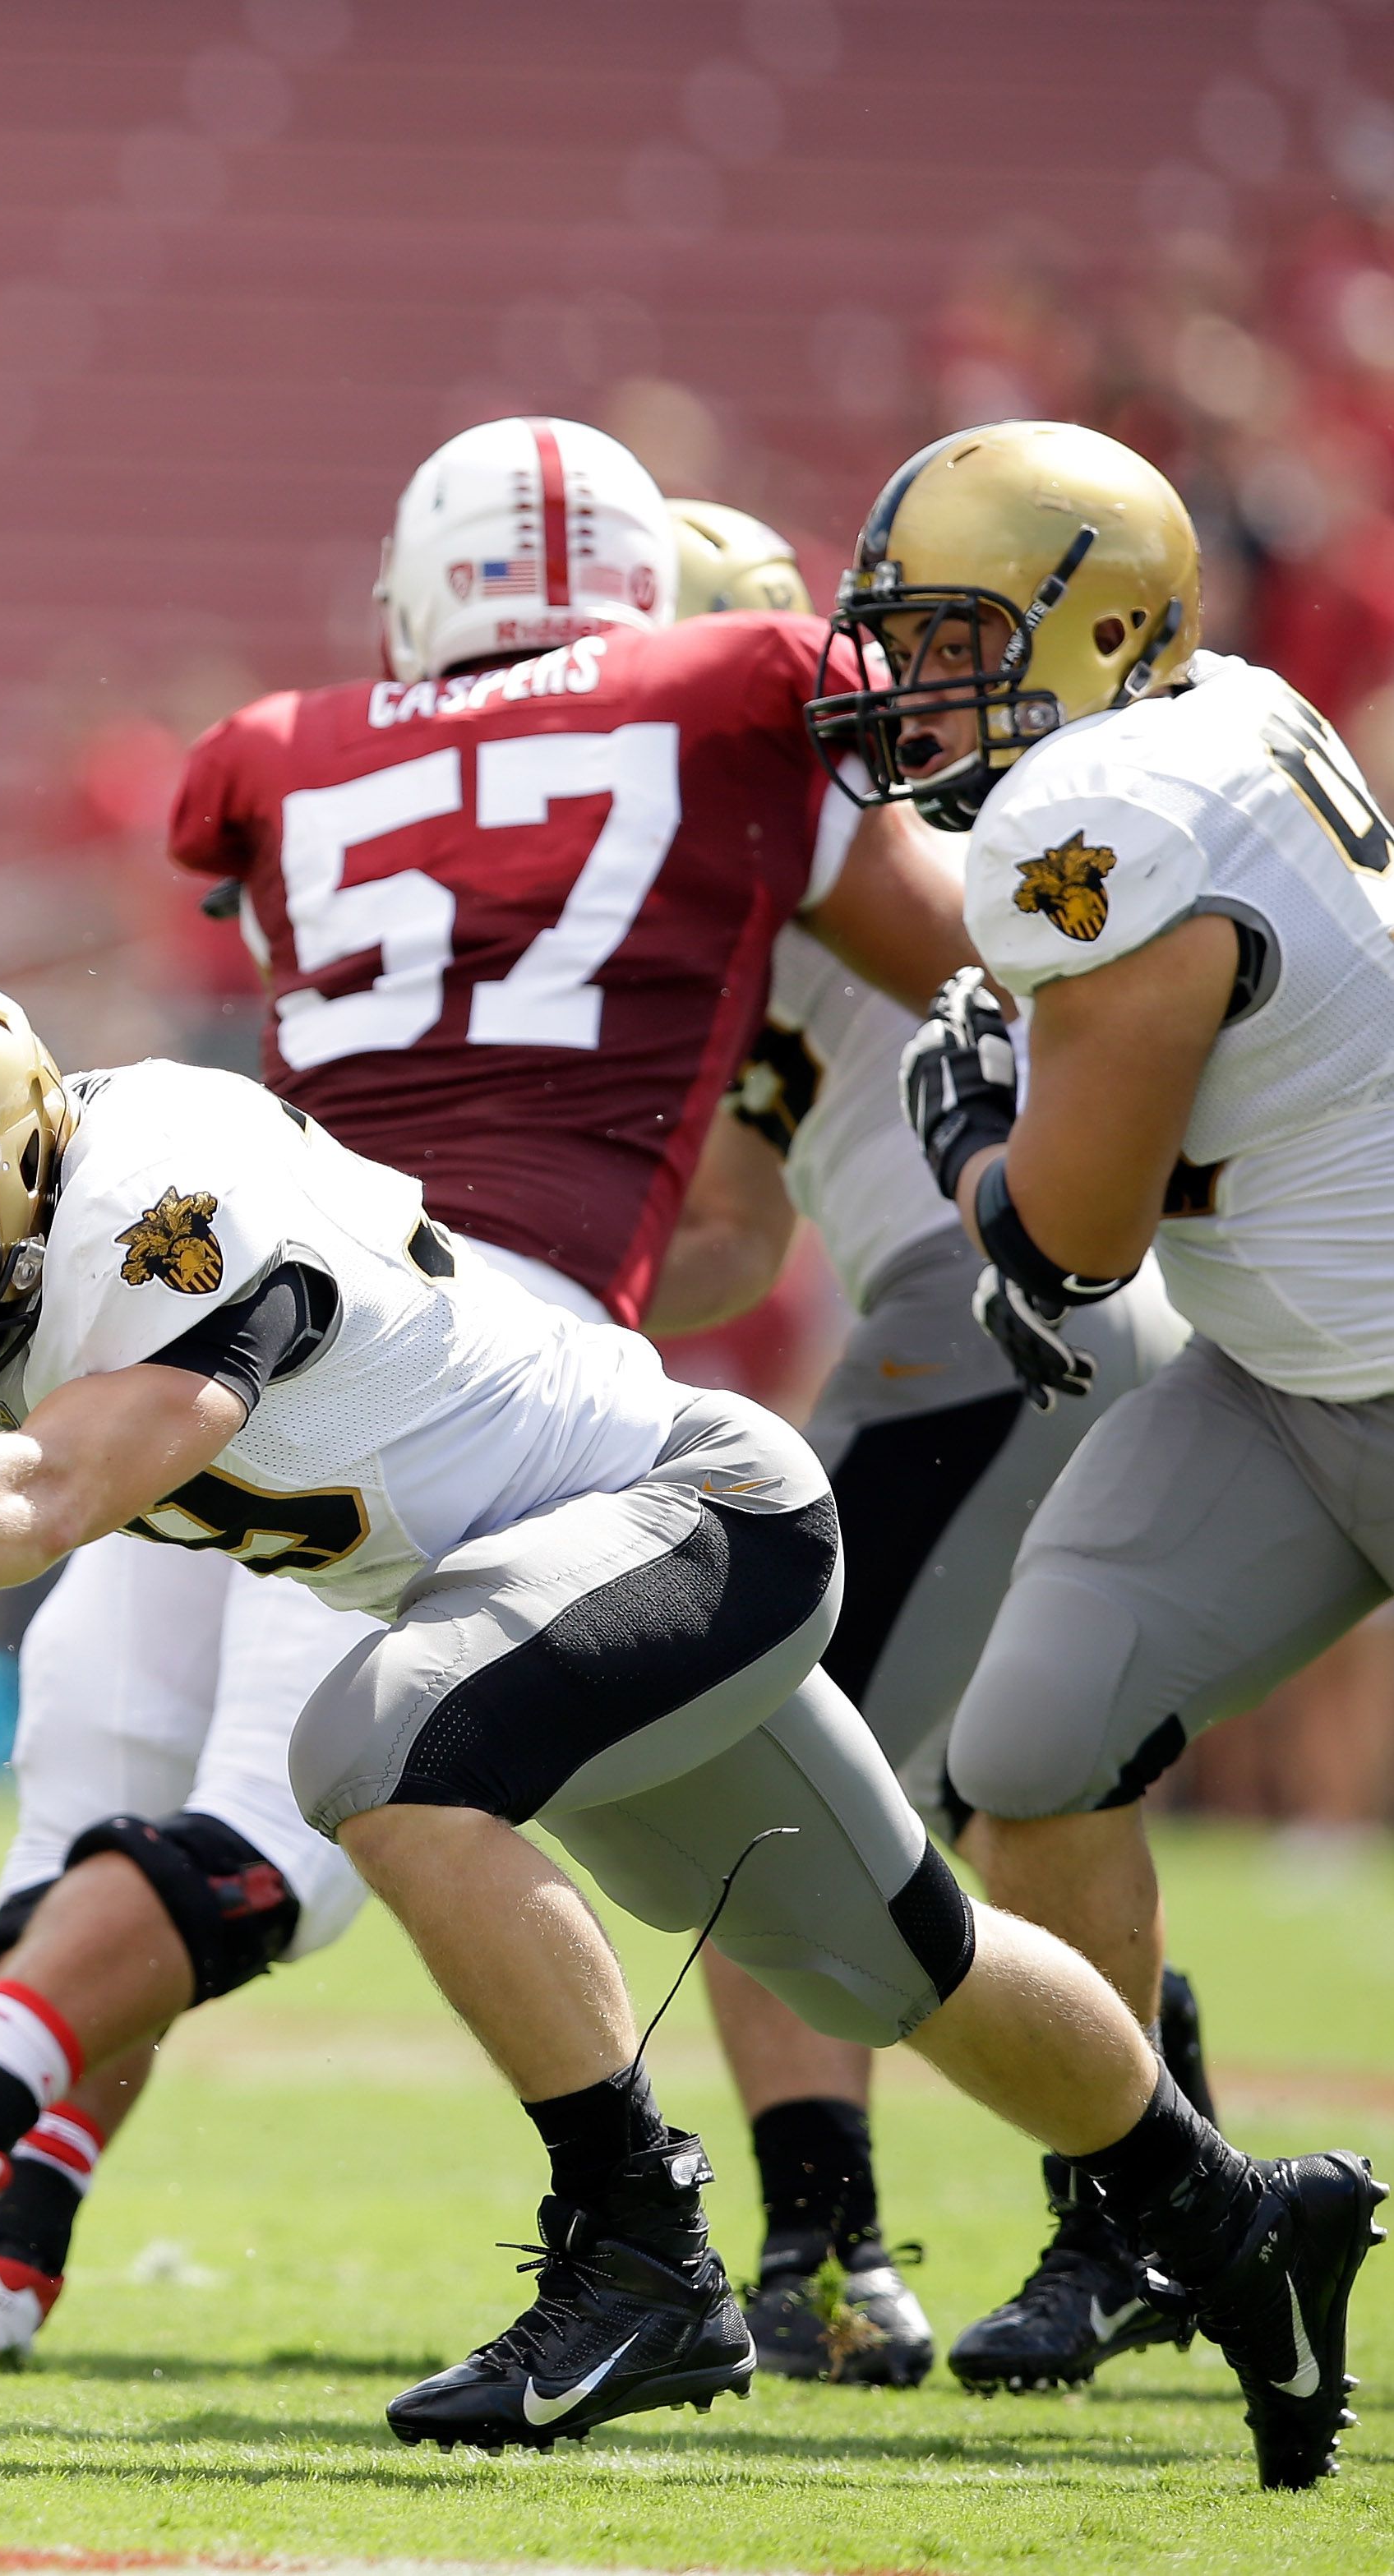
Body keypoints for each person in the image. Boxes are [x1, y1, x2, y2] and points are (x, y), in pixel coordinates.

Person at [0, 969, 1378, 2482]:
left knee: (370, 1748)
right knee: (903, 1963)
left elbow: (55, 1489)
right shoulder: (3, 1243)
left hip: (692, 1514)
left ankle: (637, 2248)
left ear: (5, 1172)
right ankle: (1231, 2221)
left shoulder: (163, 1185)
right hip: (577, 1581)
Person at [0, 418, 968, 2375]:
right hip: (397, 1287)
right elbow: (846, 1082)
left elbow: (19, 1478)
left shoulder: (303, 762)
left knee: (264, 1802)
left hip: (390, 1322)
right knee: (151, 1774)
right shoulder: (714, 707)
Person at [810, 419, 1394, 2411]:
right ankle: (1152, 2209)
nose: (914, 686)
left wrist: (970, 1136)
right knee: (1029, 1753)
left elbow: (1065, 1237)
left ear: (1096, 625)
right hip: (1292, 1370)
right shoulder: (1186, 725)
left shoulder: (1106, 819)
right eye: (897, 641)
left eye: (955, 638)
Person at [655, 496, 1194, 2391]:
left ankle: (830, 2247)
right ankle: (1159, 2202)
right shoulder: (804, 838)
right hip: (1031, 1329)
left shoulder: (813, 836)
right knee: (1016, 1799)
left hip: (989, 1324)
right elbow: (726, 1214)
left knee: (744, 1749)